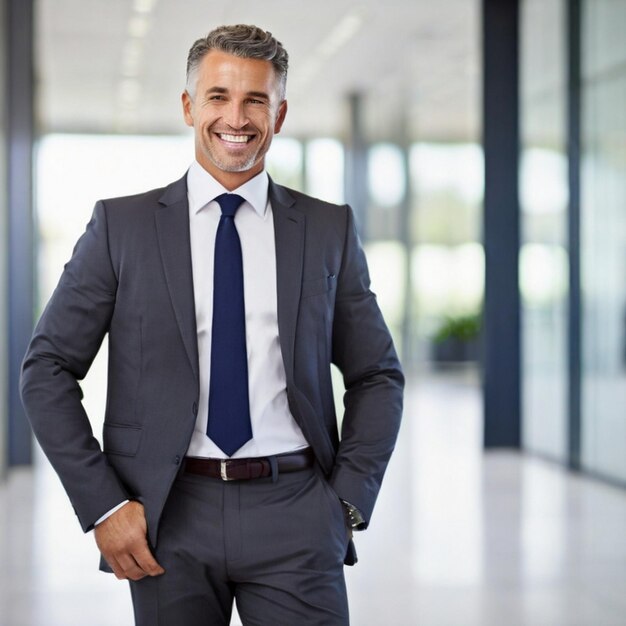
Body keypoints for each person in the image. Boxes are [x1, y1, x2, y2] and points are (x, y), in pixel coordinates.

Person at [20, 24, 404, 626]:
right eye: (219, 96)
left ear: (279, 114)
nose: (237, 117)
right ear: (188, 106)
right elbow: (46, 369)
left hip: (297, 510)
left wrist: (347, 502)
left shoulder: (328, 230)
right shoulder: (123, 228)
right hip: (167, 514)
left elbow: (377, 373)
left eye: (257, 99)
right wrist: (103, 505)